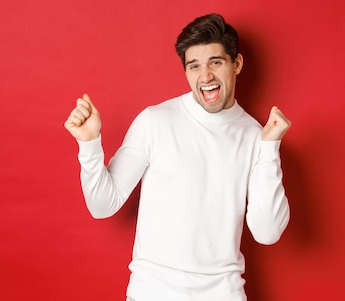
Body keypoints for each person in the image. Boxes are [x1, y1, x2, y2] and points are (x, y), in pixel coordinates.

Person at [64, 13, 291, 301]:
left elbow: (268, 232)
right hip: (151, 293)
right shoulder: (155, 121)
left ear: (237, 64)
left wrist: (270, 148)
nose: (205, 76)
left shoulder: (255, 136)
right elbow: (102, 205)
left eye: (215, 62)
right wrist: (89, 145)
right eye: (194, 66)